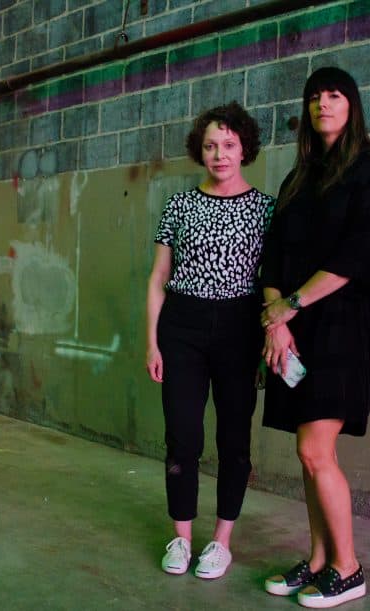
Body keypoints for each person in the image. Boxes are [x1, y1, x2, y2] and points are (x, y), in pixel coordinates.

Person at [258, 67, 370, 608]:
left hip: (342, 327)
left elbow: (361, 254)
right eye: (314, 97)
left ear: (352, 104)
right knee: (306, 452)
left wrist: (287, 306)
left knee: (317, 449)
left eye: (334, 95)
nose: (322, 104)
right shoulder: (299, 178)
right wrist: (279, 322)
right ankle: (318, 562)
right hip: (294, 329)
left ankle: (348, 567)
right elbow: (273, 255)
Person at [146, 101, 274, 580]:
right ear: (199, 152)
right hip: (182, 326)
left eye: (228, 145)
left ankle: (221, 542)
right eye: (210, 146)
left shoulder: (265, 209)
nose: (219, 154)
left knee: (234, 437)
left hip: (240, 328)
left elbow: (270, 280)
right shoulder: (178, 205)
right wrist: (152, 342)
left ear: (244, 149)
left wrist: (269, 337)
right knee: (182, 435)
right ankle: (180, 537)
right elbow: (159, 276)